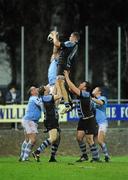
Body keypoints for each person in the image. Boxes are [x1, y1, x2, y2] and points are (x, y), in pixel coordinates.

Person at [64, 70, 100, 162]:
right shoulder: (81, 93)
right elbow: (70, 88)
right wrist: (64, 79)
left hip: (89, 120)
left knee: (89, 139)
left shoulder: (85, 94)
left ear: (85, 88)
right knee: (79, 138)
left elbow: (72, 87)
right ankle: (84, 156)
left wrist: (67, 76)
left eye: (81, 84)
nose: (79, 84)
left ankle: (96, 157)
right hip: (82, 120)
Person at [50, 31, 80, 114]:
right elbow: (56, 49)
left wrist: (54, 36)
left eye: (71, 36)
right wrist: (55, 39)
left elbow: (56, 43)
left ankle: (68, 104)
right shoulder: (73, 46)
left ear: (74, 38)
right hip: (64, 65)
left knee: (60, 82)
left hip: (62, 65)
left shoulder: (71, 43)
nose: (69, 37)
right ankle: (69, 103)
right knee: (60, 83)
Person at [32, 80, 62, 162]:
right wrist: (59, 84)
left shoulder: (46, 97)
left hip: (50, 119)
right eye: (46, 87)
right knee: (53, 138)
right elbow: (59, 95)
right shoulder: (46, 98)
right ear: (45, 91)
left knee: (57, 138)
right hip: (51, 119)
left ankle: (52, 157)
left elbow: (54, 93)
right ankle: (37, 152)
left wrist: (56, 83)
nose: (48, 86)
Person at [19, 86, 43, 161]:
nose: (37, 89)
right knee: (32, 140)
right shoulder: (34, 98)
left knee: (27, 140)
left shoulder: (33, 98)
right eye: (34, 89)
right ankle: (25, 158)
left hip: (27, 120)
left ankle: (22, 156)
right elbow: (41, 104)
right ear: (32, 92)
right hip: (30, 121)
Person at [92, 87, 110, 162]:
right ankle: (97, 157)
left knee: (100, 140)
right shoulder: (93, 100)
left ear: (99, 91)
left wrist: (91, 99)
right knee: (93, 140)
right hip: (95, 123)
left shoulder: (103, 98)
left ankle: (106, 155)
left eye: (95, 89)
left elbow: (101, 103)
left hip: (102, 122)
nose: (93, 90)